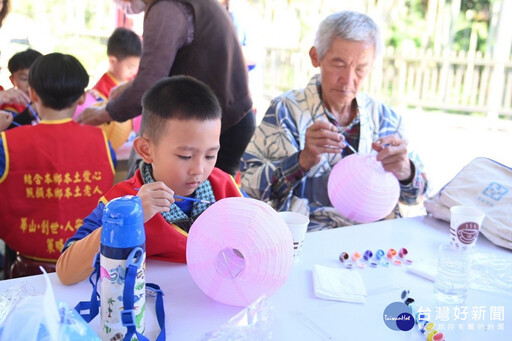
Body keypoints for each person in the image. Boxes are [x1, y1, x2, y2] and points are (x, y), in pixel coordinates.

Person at [240, 11, 429, 231]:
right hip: (306, 237)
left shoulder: (385, 119)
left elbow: (417, 196)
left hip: (371, 238)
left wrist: (406, 172)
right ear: (315, 57)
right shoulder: (285, 111)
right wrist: (302, 160)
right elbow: (249, 187)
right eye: (338, 64)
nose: (348, 80)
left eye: (361, 68)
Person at [56, 76, 244, 285]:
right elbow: (66, 271)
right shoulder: (123, 201)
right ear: (146, 150)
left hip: (212, 305)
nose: (199, 170)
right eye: (185, 156)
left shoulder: (224, 187)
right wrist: (127, 219)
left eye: (210, 156)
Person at [76, 0, 255, 177]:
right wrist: (131, 85)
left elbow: (147, 87)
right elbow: (169, 65)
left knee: (200, 197)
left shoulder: (167, 10)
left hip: (220, 126)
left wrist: (104, 113)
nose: (119, 4)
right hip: (226, 119)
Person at [0, 53, 116, 277]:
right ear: (82, 98)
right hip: (85, 260)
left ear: (32, 93)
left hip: (27, 261)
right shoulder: (102, 141)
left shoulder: (6, 142)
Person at [91, 27, 141, 100]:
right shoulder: (100, 92)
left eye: (136, 66)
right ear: (112, 61)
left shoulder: (134, 77)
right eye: (130, 67)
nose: (134, 71)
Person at [1, 49, 43, 115]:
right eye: (24, 79)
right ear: (12, 80)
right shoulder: (10, 105)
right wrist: (30, 111)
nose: (31, 84)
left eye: (37, 78)